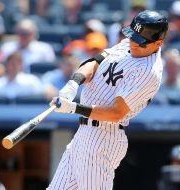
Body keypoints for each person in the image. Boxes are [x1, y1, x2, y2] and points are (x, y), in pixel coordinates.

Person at [47, 10, 168, 190]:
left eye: (140, 42)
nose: (133, 43)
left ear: (158, 43)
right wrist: (74, 83)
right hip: (83, 135)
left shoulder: (148, 72)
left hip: (103, 138)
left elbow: (116, 113)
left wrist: (73, 108)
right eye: (132, 37)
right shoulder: (130, 42)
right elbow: (96, 61)